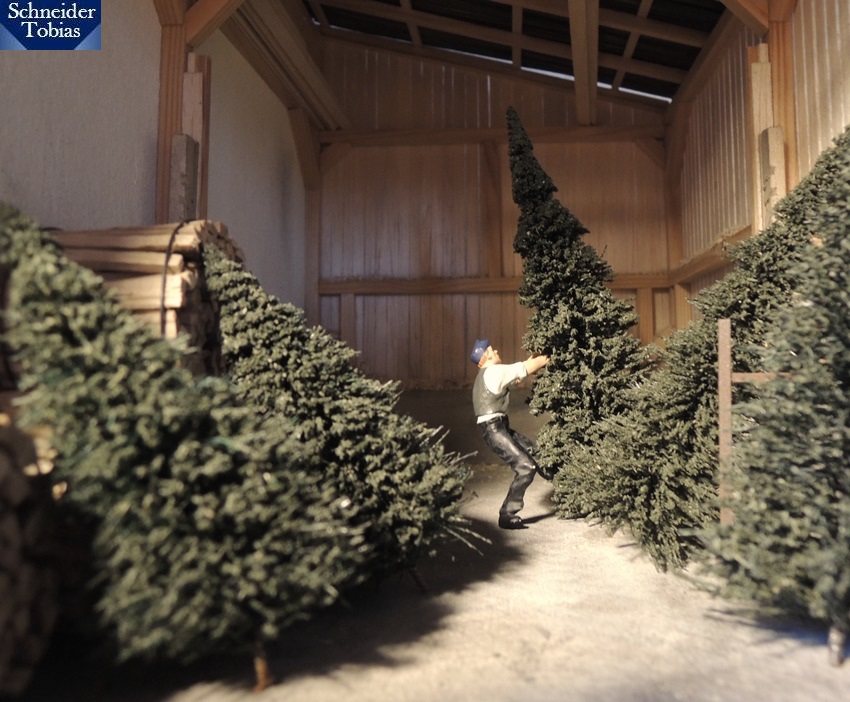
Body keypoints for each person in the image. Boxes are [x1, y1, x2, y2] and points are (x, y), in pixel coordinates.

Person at [469, 338, 553, 530]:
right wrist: (549, 354)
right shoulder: (494, 371)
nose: (496, 351)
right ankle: (507, 514)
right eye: (492, 350)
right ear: (485, 357)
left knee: (536, 453)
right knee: (526, 466)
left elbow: (519, 373)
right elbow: (526, 368)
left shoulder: (487, 375)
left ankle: (564, 488)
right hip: (494, 429)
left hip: (499, 427)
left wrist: (532, 361)